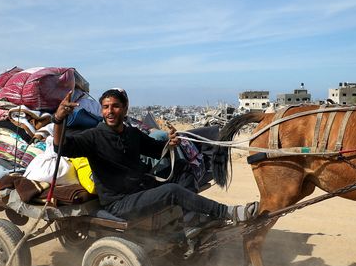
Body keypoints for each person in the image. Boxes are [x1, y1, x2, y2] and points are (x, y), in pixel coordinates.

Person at [52, 88, 256, 232]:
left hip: (141, 189)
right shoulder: (93, 137)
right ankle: (228, 212)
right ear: (101, 110)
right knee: (171, 191)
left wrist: (171, 142)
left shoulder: (132, 133)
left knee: (184, 168)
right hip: (119, 203)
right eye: (105, 107)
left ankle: (190, 219)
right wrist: (59, 119)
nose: (110, 111)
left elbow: (157, 150)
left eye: (115, 106)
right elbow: (60, 146)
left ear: (124, 109)